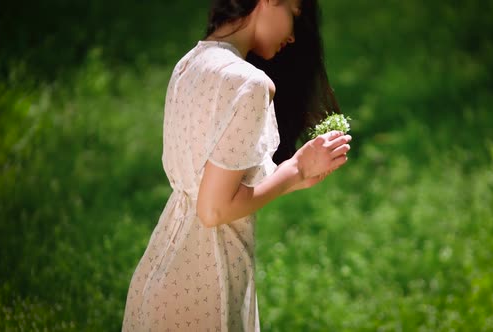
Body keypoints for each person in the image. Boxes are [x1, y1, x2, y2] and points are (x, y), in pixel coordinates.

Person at [121, 0, 351, 330]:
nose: (295, 37)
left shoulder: (190, 64)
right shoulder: (250, 83)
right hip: (206, 285)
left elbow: (207, 185)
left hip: (160, 274)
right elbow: (213, 210)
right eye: (295, 15)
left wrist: (298, 177)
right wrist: (295, 169)